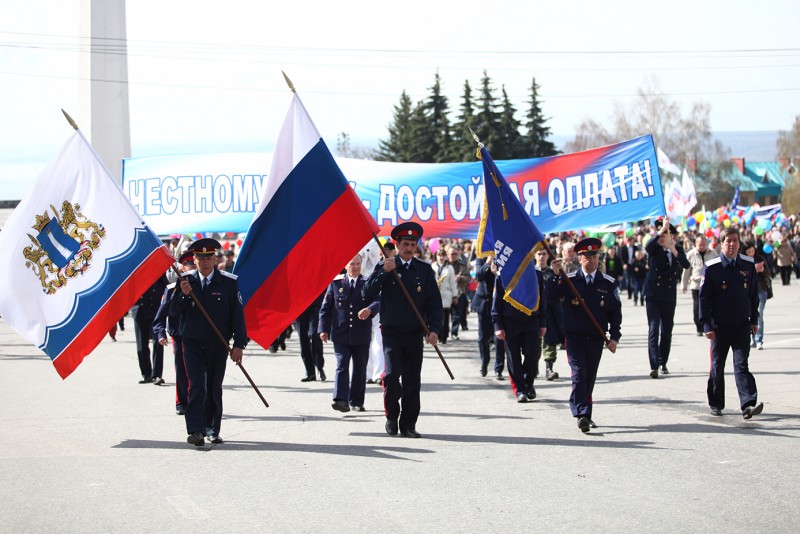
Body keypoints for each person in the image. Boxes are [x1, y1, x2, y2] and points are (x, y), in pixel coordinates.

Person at [363, 222, 443, 438]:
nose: (409, 248)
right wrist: (383, 273)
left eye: (413, 244)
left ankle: (408, 424)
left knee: (412, 380)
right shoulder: (386, 265)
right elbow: (367, 292)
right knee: (391, 376)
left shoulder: (424, 270)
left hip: (415, 334)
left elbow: (434, 304)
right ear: (397, 245)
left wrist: (434, 330)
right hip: (391, 332)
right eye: (405, 244)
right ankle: (392, 416)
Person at [170, 238, 248, 446]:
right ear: (194, 260)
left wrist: (239, 344)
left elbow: (237, 316)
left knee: (214, 386)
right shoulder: (185, 281)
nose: (205, 262)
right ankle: (195, 430)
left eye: (209, 258)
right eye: (200, 258)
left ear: (215, 259)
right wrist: (184, 296)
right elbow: (174, 312)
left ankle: (212, 429)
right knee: (196, 386)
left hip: (218, 344)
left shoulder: (228, 283)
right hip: (193, 344)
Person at [550, 237, 621, 433]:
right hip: (574, 337)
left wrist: (614, 337)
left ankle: (586, 414)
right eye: (587, 256)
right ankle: (580, 412)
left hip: (596, 338)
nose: (591, 259)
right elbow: (551, 298)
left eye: (594, 255)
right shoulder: (570, 280)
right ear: (579, 258)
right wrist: (555, 276)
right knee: (579, 373)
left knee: (589, 377)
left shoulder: (607, 283)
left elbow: (615, 313)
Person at [699, 227, 763, 419]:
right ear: (721, 243)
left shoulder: (748, 265)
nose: (732, 244)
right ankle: (716, 403)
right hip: (719, 327)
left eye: (735, 240)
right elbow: (704, 299)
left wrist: (754, 319)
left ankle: (748, 404)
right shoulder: (712, 267)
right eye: (728, 241)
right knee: (717, 366)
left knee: (741, 364)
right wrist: (707, 325)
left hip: (741, 325)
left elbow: (753, 295)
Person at [319, 254, 380, 412]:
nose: (355, 267)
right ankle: (340, 399)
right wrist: (323, 329)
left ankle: (356, 401)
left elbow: (378, 300)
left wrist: (369, 310)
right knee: (342, 365)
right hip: (341, 333)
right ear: (346, 266)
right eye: (352, 264)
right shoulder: (336, 283)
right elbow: (326, 308)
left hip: (361, 334)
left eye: (358, 263)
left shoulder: (367, 282)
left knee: (360, 368)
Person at [492, 258, 547, 403]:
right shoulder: (503, 275)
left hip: (531, 321)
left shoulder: (537, 274)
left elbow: (542, 301)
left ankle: (528, 383)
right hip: (510, 322)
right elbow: (497, 302)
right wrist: (498, 326)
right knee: (513, 359)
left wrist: (543, 323)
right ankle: (520, 390)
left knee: (532, 356)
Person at [643, 220, 689, 378]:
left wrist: (673, 250)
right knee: (653, 329)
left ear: (672, 236)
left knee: (667, 331)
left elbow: (686, 264)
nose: (662, 236)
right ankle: (654, 365)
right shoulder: (655, 248)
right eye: (660, 233)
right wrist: (661, 229)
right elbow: (648, 247)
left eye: (665, 233)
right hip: (653, 295)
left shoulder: (677, 249)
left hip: (668, 296)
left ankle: (663, 362)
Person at [153, 250, 196, 415]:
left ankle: (198, 402)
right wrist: (161, 334)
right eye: (188, 265)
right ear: (182, 267)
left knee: (200, 372)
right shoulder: (172, 289)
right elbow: (160, 316)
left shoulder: (203, 286)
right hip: (179, 335)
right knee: (182, 369)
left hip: (200, 335)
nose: (191, 268)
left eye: (193, 265)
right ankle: (182, 402)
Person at [131, 274, 169, 385]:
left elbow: (166, 287)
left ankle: (157, 375)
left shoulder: (156, 268)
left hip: (155, 310)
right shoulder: (133, 270)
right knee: (141, 347)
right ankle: (146, 374)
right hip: (139, 309)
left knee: (158, 343)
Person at [472, 256, 505, 379]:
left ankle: (499, 368)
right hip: (483, 302)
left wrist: (497, 273)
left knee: (499, 337)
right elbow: (478, 276)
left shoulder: (502, 256)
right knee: (482, 337)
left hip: (498, 302)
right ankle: (484, 363)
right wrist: (487, 263)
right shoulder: (481, 258)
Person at [682, 235, 719, 336]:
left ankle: (707, 325)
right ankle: (699, 326)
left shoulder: (712, 252)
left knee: (709, 306)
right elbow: (686, 270)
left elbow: (718, 268)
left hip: (709, 284)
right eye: (700, 245)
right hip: (696, 285)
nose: (702, 246)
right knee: (697, 306)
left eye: (704, 244)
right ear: (696, 244)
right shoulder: (691, 254)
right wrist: (684, 285)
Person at [536, 247, 562, 381]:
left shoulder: (552, 274)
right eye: (539, 254)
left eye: (544, 254)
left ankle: (549, 368)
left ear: (548, 256)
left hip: (549, 312)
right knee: (533, 342)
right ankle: (532, 367)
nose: (541, 257)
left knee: (549, 341)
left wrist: (557, 275)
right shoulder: (529, 273)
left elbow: (557, 294)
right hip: (533, 312)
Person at [743, 241, 770, 350]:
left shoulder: (760, 258)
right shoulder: (742, 261)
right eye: (749, 252)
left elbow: (768, 272)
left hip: (760, 290)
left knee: (759, 315)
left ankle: (759, 340)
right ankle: (753, 338)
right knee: (749, 314)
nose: (751, 253)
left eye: (752, 251)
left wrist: (763, 270)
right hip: (747, 291)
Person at [296, 292, 326, 382]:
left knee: (314, 334)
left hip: (315, 303)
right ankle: (310, 372)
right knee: (303, 339)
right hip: (299, 305)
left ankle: (319, 367)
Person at [432, 249, 458, 344]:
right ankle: (437, 334)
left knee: (445, 316)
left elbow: (452, 283)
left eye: (443, 255)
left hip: (446, 294)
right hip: (435, 295)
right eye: (439, 255)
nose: (441, 257)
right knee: (436, 316)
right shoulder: (432, 266)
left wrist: (455, 296)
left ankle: (444, 337)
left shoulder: (449, 268)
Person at [448, 245, 470, 339]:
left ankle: (454, 332)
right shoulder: (444, 265)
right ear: (448, 255)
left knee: (457, 314)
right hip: (446, 293)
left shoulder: (462, 265)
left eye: (455, 254)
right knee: (445, 314)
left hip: (459, 292)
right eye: (451, 254)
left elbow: (468, 278)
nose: (453, 255)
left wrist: (460, 278)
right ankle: (443, 332)